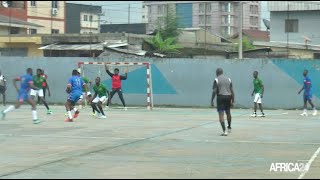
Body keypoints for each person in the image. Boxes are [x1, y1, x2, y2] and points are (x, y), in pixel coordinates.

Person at [211, 68, 235, 136]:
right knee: (228, 112)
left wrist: (212, 100)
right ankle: (229, 127)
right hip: (228, 97)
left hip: (221, 97)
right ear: (222, 72)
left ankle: (225, 131)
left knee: (221, 114)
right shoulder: (229, 79)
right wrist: (232, 101)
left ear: (216, 73)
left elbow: (214, 91)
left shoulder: (216, 80)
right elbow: (232, 91)